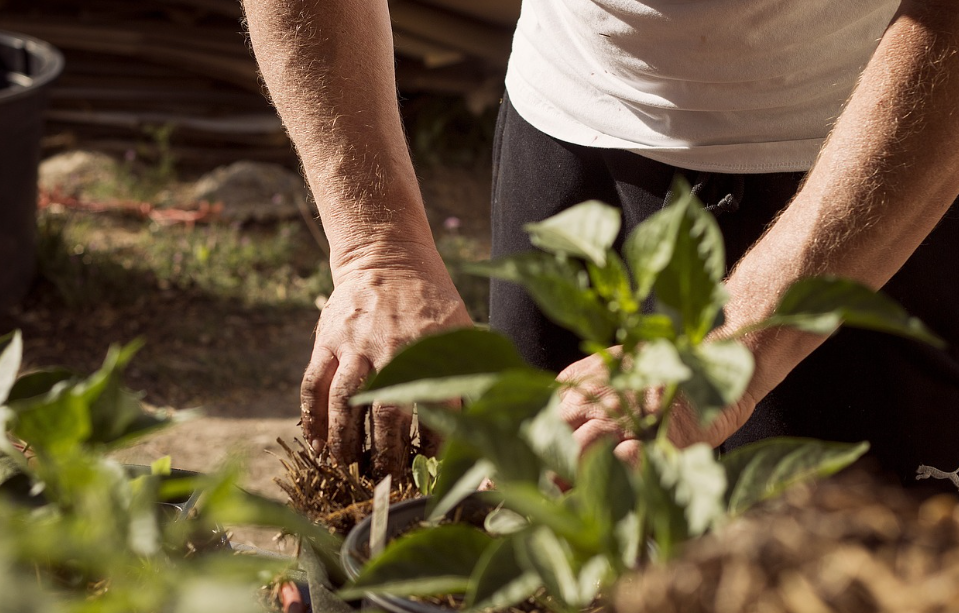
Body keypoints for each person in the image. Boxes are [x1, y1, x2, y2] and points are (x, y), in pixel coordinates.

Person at [242, 0, 959, 484]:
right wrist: (378, 248)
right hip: (566, 134)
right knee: (545, 546)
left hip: (872, 166)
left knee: (823, 586)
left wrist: (731, 343)